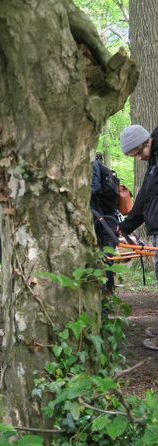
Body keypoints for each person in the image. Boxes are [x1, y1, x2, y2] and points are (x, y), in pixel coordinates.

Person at [117, 125, 158, 350]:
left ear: (146, 142)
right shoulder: (153, 165)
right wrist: (125, 226)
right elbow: (143, 199)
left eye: (138, 154)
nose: (140, 159)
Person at [90, 153, 120, 293]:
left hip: (101, 217)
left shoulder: (94, 166)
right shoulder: (101, 168)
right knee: (106, 255)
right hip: (106, 218)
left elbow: (94, 189)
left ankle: (107, 292)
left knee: (104, 255)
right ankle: (108, 290)